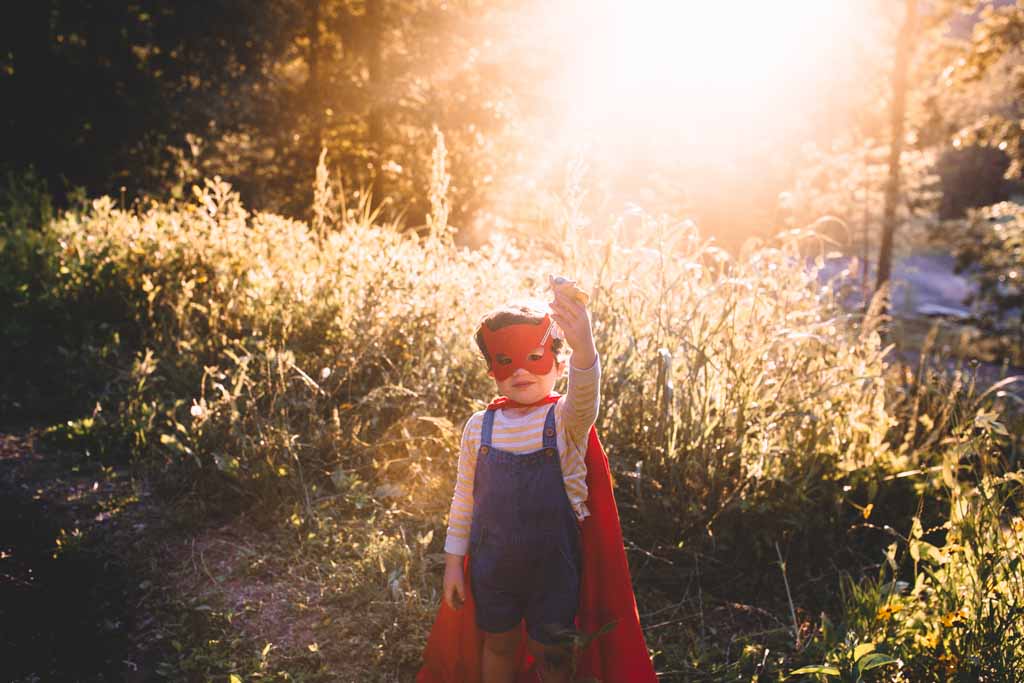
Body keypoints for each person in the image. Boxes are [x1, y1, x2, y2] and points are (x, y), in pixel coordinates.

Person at [417, 278, 657, 683]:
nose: (522, 370)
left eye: (534, 356)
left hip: (554, 566)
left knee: (553, 651)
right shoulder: (479, 427)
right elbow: (464, 499)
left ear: (559, 366)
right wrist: (454, 563)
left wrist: (584, 346)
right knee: (499, 644)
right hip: (495, 567)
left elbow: (587, 393)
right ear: (492, 368)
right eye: (506, 360)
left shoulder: (566, 421)